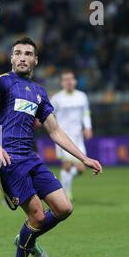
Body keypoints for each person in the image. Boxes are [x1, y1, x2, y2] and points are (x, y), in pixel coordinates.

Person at [0, 37, 102, 257]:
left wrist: (82, 158)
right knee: (36, 215)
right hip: (7, 158)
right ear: (12, 58)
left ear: (35, 60)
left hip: (30, 157)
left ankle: (27, 238)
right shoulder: (1, 82)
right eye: (18, 53)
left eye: (28, 54)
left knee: (64, 208)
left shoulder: (39, 92)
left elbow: (54, 131)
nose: (22, 57)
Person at [51, 70, 93, 200]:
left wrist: (88, 127)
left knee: (81, 169)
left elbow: (86, 113)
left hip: (77, 137)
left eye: (71, 79)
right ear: (62, 82)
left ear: (75, 81)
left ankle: (62, 183)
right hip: (63, 137)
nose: (68, 82)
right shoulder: (56, 98)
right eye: (65, 79)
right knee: (67, 165)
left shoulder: (82, 96)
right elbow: (49, 116)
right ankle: (66, 194)